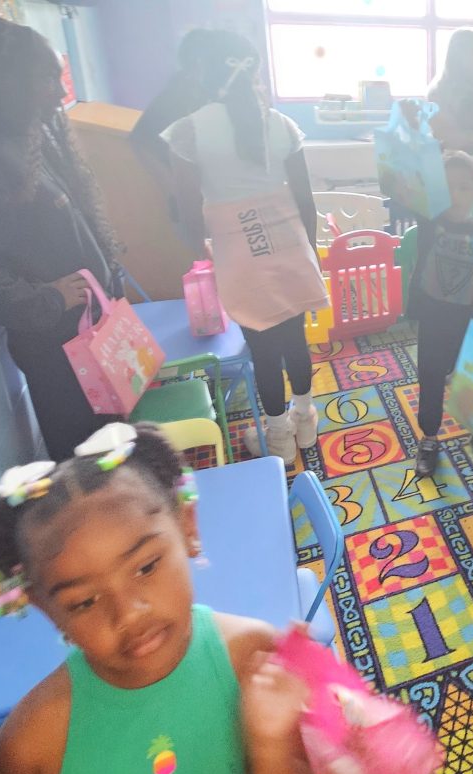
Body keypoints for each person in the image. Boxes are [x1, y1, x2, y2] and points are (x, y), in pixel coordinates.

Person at [0, 422, 316, 774]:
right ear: (45, 607)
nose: (128, 614)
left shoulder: (252, 656)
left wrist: (271, 744)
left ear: (188, 526)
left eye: (146, 567)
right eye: (84, 602)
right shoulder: (28, 750)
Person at [0, 19, 119, 461]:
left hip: (88, 331)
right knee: (87, 467)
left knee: (116, 450)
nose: (58, 90)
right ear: (10, 83)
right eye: (45, 79)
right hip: (57, 352)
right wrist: (48, 299)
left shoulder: (22, 134)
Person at [163, 32, 329, 465]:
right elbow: (306, 200)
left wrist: (201, 251)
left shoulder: (189, 130)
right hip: (289, 244)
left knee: (263, 349)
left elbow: (185, 211)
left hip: (240, 254)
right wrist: (306, 252)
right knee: (295, 337)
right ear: (252, 71)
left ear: (206, 72)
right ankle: (306, 421)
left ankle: (277, 439)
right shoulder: (281, 124)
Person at [408, 152, 473, 478]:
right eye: (447, 188)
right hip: (434, 317)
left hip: (469, 321)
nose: (455, 195)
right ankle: (430, 438)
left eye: (463, 187)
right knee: (431, 376)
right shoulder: (431, 222)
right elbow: (407, 186)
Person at [129, 28, 225, 190]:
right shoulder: (175, 96)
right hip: (192, 191)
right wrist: (173, 187)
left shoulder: (213, 91)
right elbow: (140, 140)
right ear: (198, 63)